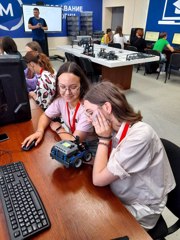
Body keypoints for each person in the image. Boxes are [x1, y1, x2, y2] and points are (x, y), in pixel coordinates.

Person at [83, 81, 176, 230]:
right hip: (123, 194)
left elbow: (99, 180)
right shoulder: (114, 128)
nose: (88, 119)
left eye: (90, 112)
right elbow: (109, 162)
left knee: (91, 226)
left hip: (141, 208)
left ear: (107, 107)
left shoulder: (140, 136)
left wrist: (103, 139)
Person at [22, 62, 96, 151]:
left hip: (91, 148)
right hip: (73, 140)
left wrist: (59, 129)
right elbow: (46, 115)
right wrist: (39, 131)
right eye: (63, 87)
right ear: (58, 85)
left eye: (73, 87)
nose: (67, 92)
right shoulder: (61, 100)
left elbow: (73, 142)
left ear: (81, 85)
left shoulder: (88, 108)